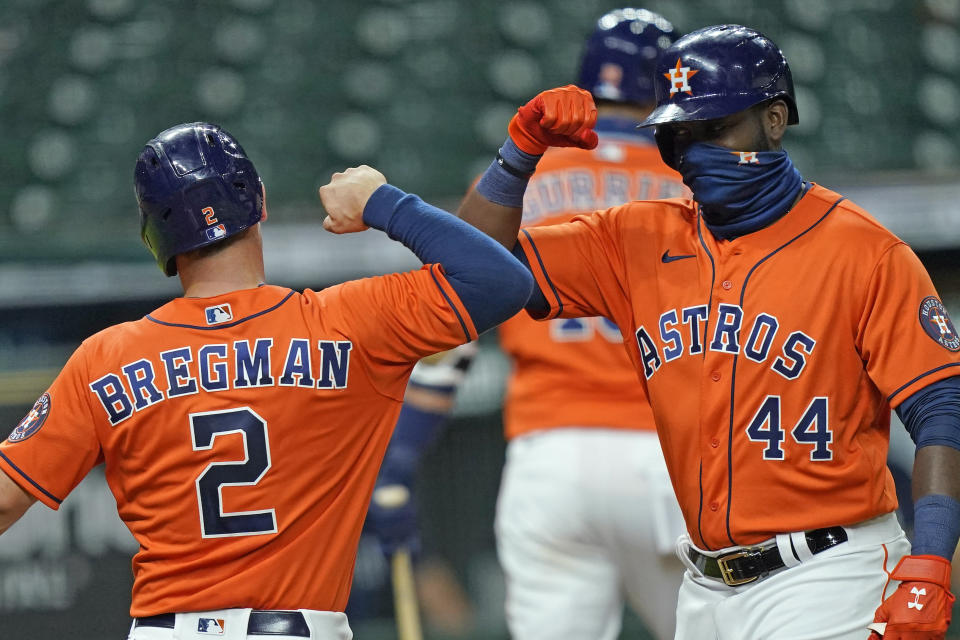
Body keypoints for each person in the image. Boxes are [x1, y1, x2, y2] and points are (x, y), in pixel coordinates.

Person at [456, 24, 960, 640]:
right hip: (702, 592)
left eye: (714, 129)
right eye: (677, 137)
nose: (693, 153)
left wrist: (931, 558)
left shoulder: (865, 252)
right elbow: (471, 271)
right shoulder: (633, 238)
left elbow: (941, 405)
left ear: (774, 120)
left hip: (828, 577)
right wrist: (519, 154)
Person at [0, 122, 532, 640]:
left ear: (154, 236)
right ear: (258, 201)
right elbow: (502, 280)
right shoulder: (347, 322)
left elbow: (5, 499)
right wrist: (382, 203)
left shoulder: (105, 357)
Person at [365, 9, 689, 639]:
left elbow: (453, 318)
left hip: (549, 458)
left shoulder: (514, 187)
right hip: (668, 454)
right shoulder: (691, 183)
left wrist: (403, 451)